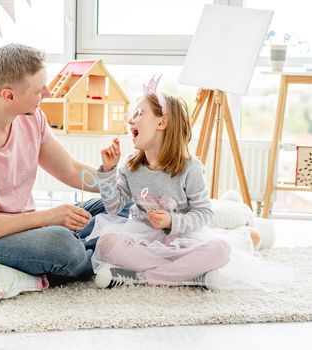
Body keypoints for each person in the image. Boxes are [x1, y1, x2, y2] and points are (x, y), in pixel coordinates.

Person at [0, 43, 127, 284]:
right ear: (9, 95)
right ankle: (112, 252)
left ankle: (105, 249)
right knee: (62, 245)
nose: (48, 93)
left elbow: (69, 169)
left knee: (123, 203)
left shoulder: (31, 116)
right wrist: (49, 217)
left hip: (28, 228)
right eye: (39, 90)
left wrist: (124, 185)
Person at [88, 75, 290, 291]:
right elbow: (114, 207)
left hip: (183, 240)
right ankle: (187, 275)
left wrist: (171, 222)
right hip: (143, 240)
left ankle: (144, 276)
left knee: (221, 248)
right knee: (106, 243)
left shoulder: (189, 168)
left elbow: (204, 213)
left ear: (162, 122)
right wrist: (108, 171)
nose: (131, 120)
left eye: (139, 113)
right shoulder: (130, 168)